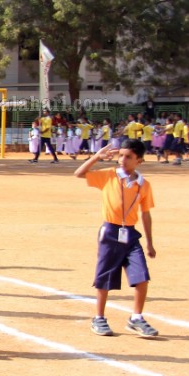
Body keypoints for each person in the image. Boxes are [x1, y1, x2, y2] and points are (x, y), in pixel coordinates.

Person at [74, 138, 158, 338]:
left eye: (128, 157)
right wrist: (96, 157)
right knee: (105, 277)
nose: (122, 160)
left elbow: (146, 214)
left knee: (142, 277)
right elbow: (79, 174)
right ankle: (99, 317)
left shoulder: (143, 185)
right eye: (121, 155)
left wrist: (149, 242)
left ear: (139, 161)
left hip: (130, 234)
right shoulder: (110, 176)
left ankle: (136, 318)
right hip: (110, 232)